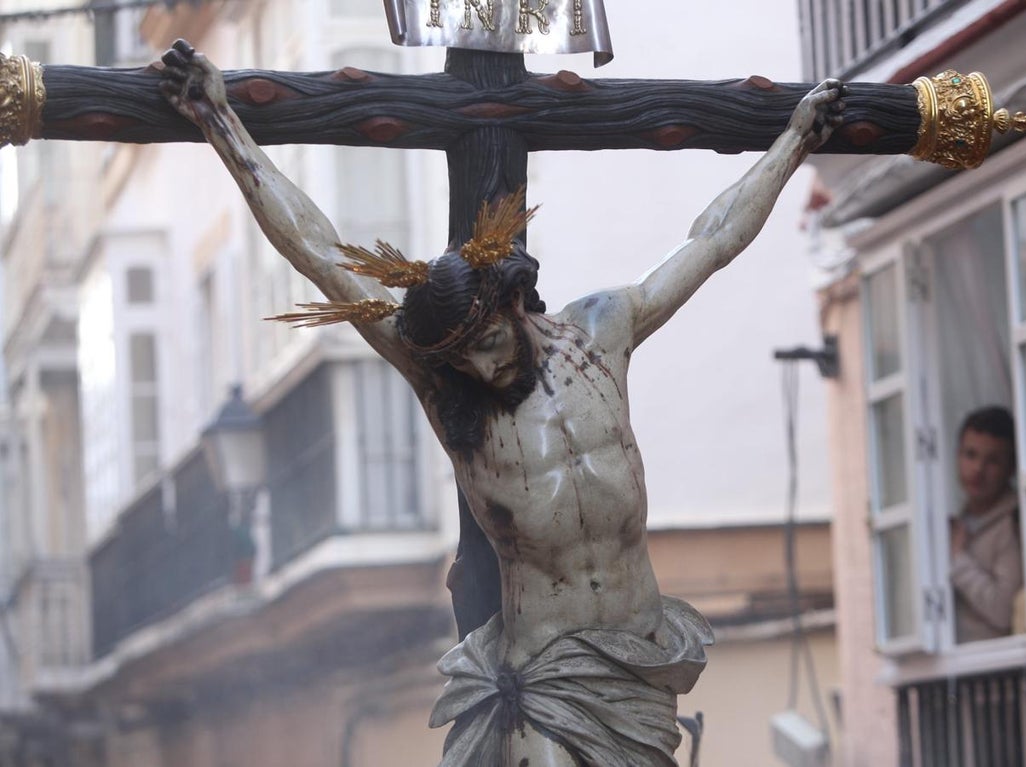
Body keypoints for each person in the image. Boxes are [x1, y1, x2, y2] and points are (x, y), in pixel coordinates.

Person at [159, 39, 846, 767]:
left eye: (488, 340)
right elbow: (320, 252)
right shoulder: (446, 390)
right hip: (546, 673)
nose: (481, 368)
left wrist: (794, 139)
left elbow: (711, 241)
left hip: (638, 663)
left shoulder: (602, 330)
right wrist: (219, 119)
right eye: (462, 358)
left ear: (514, 299)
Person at [950, 406, 1024, 644]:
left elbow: (1004, 611)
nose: (978, 469)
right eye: (970, 455)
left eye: (992, 461)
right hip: (956, 667)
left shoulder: (1012, 524)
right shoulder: (959, 521)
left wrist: (958, 560)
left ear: (1010, 468)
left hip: (992, 668)